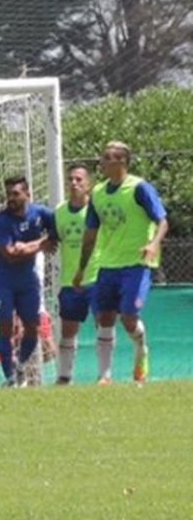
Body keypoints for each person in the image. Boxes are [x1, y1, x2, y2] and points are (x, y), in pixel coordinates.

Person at [72, 141, 169, 384]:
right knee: (103, 317)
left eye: (107, 157)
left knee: (128, 318)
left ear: (121, 162)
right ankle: (104, 376)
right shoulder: (97, 193)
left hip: (136, 264)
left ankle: (141, 351)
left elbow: (162, 220)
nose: (101, 162)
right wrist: (81, 269)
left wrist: (153, 243)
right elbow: (91, 233)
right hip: (108, 265)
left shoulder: (139, 188)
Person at [0, 175, 56, 387]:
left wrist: (29, 246)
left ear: (27, 194)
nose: (11, 198)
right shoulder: (1, 220)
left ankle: (19, 367)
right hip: (2, 280)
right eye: (8, 194)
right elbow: (9, 254)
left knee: (32, 328)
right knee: (6, 329)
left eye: (15, 193)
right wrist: (40, 245)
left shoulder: (41, 213)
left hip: (28, 280)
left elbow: (56, 234)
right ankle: (9, 378)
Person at [50, 163, 99, 384]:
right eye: (71, 179)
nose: (74, 183)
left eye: (79, 180)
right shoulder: (59, 211)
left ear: (88, 185)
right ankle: (64, 376)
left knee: (103, 325)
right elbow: (53, 239)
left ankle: (104, 374)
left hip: (96, 277)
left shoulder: (96, 210)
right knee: (68, 330)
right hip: (70, 281)